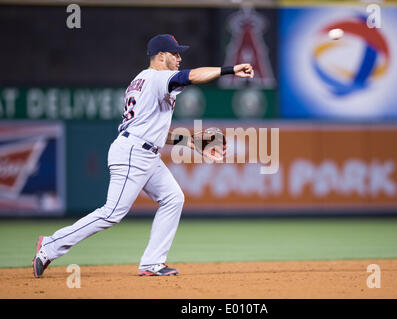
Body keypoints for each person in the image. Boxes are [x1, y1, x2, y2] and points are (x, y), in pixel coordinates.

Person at [32, 34, 253, 277]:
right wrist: (229, 70)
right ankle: (51, 245)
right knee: (112, 213)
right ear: (160, 56)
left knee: (173, 198)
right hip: (133, 153)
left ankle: (152, 263)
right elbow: (192, 76)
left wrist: (189, 141)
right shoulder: (158, 77)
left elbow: (150, 130)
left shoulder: (141, 80)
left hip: (143, 151)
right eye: (175, 53)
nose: (179, 58)